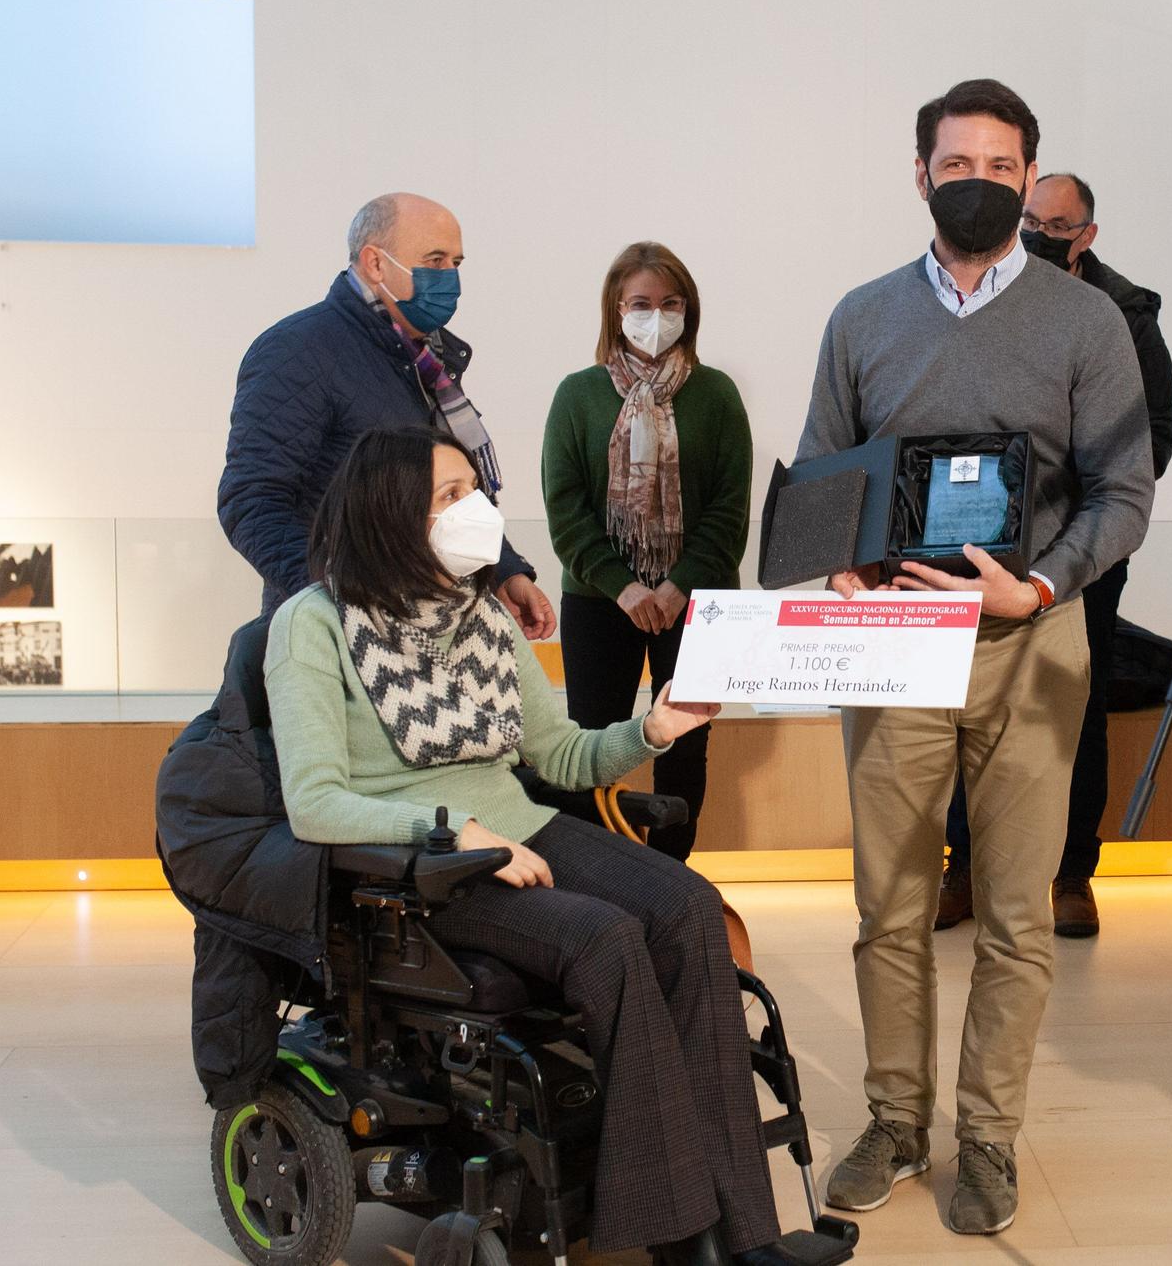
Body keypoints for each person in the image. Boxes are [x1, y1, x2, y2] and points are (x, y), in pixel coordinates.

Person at [264, 424, 795, 1265]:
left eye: (472, 490)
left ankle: (745, 1225)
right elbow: (315, 803)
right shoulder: (313, 624)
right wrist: (452, 832)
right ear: (390, 512)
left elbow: (561, 756)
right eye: (448, 496)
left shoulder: (483, 618)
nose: (473, 510)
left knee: (690, 905)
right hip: (423, 869)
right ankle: (681, 1235)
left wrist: (651, 728)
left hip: (522, 827)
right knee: (608, 939)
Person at [798, 78, 1153, 1236]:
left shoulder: (1083, 322)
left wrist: (1040, 583)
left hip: (1030, 643)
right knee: (887, 906)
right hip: (897, 645)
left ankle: (987, 1135)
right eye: (959, 162)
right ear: (919, 173)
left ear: (1026, 179)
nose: (979, 182)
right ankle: (896, 1119)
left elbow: (1122, 491)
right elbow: (822, 471)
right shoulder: (859, 317)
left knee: (1015, 913)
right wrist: (843, 559)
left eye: (1003, 167)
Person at [935, 170, 1172, 938]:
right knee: (964, 707)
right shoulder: (993, 300)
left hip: (1079, 554)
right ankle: (965, 867)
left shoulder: (1125, 316)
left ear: (1088, 235)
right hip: (980, 544)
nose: (1040, 234)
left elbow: (1151, 443)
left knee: (1081, 708)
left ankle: (1073, 874)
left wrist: (1063, 498)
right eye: (1031, 220)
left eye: (1058, 225)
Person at [219, 192, 554, 637]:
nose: (450, 277)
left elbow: (455, 493)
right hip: (339, 635)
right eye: (434, 261)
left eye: (456, 262)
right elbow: (251, 500)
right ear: (375, 263)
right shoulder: (298, 350)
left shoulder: (429, 362)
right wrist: (338, 600)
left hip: (438, 622)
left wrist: (505, 571)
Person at [543, 242, 752, 862]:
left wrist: (675, 584)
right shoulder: (576, 395)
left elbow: (729, 508)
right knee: (591, 742)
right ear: (615, 309)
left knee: (686, 742)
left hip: (695, 600)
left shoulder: (716, 395)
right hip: (599, 600)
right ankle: (600, 874)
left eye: (670, 303)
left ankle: (672, 874)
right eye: (640, 304)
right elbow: (565, 507)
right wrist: (623, 586)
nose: (655, 316)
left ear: (689, 310)